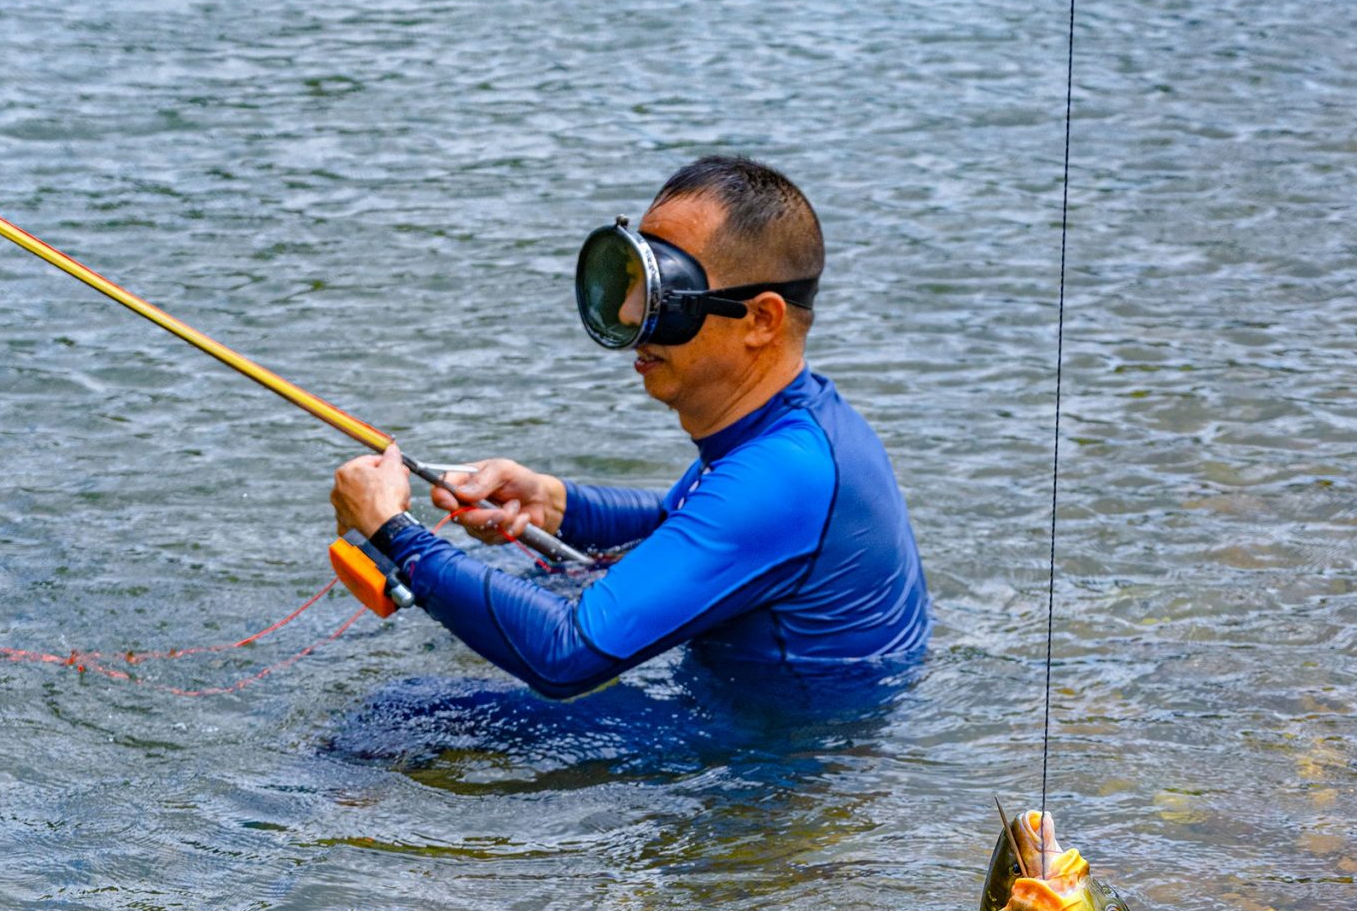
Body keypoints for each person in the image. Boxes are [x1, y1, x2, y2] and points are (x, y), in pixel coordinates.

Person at [330, 154, 928, 701]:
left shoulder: (783, 473)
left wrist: (395, 533)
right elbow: (685, 520)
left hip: (779, 751)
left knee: (397, 715)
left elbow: (565, 656)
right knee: (533, 580)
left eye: (669, 294)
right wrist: (557, 505)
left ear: (760, 320)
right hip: (753, 706)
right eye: (636, 281)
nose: (627, 314)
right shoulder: (796, 424)